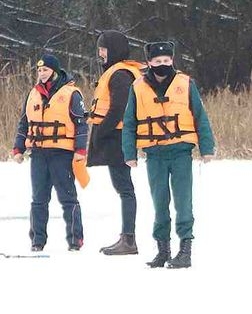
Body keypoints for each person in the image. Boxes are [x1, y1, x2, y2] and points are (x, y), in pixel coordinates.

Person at [122, 41, 215, 269]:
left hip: (181, 151)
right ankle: (163, 250)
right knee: (159, 202)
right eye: (157, 61)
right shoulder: (138, 87)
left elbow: (199, 116)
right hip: (154, 154)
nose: (162, 64)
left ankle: (185, 250)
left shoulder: (186, 83)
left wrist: (207, 147)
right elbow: (129, 123)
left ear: (172, 61)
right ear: (149, 63)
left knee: (183, 201)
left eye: (166, 61)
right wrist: (129, 152)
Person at [11, 53, 88, 252]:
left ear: (54, 71)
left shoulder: (72, 93)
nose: (42, 74)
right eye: (39, 70)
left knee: (68, 198)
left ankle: (75, 240)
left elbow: (81, 125)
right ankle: (37, 241)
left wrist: (80, 150)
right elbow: (24, 123)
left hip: (62, 153)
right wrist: (18, 147)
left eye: (45, 70)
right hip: (38, 153)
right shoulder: (33, 94)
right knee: (38, 200)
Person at [86, 30, 143, 255]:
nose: (100, 53)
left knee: (124, 188)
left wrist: (101, 132)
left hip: (117, 137)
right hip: (115, 136)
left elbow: (119, 108)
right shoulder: (116, 72)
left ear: (113, 49)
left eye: (103, 48)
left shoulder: (120, 74)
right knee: (123, 187)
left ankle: (128, 239)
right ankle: (126, 237)